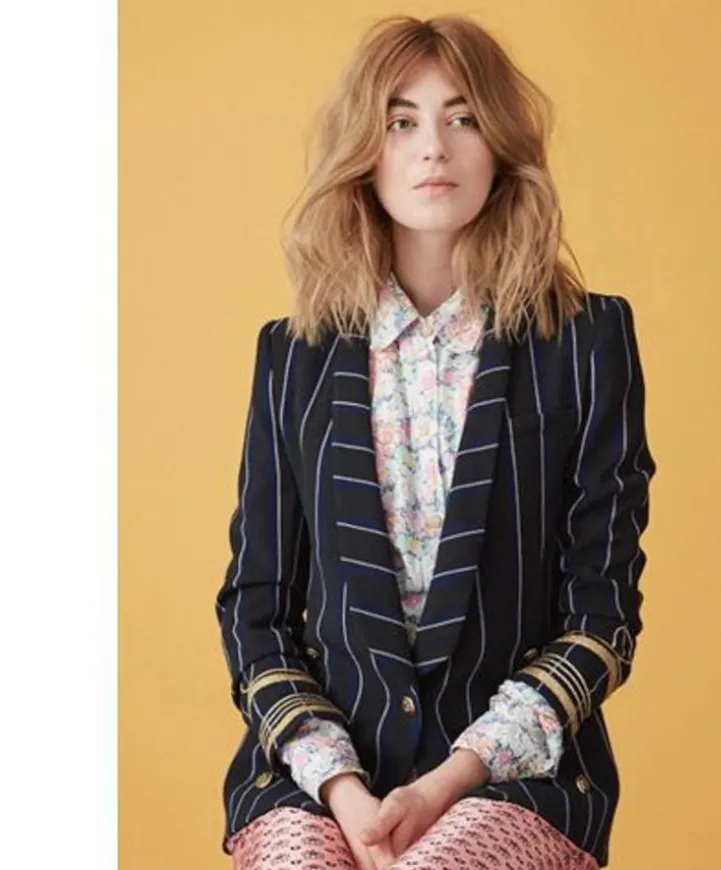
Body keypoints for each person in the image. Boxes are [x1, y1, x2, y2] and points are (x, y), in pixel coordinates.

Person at [215, 13, 656, 870]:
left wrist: (447, 783)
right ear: (363, 151)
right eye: (400, 121)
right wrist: (343, 788)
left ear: (501, 144)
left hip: (516, 778)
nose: (433, 149)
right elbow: (257, 608)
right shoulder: (293, 356)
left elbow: (601, 615)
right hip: (316, 780)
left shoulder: (586, 342)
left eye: (463, 118)